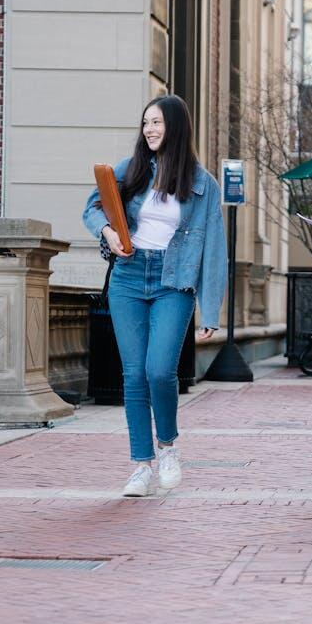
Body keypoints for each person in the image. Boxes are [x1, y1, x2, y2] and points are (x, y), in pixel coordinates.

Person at [83, 95, 227, 497]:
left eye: (157, 122)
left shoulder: (203, 185)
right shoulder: (128, 169)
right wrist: (108, 232)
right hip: (128, 277)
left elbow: (214, 250)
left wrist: (210, 310)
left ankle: (167, 446)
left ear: (176, 126)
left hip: (173, 281)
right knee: (133, 374)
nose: (149, 129)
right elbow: (92, 208)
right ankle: (141, 465)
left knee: (160, 370)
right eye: (146, 122)